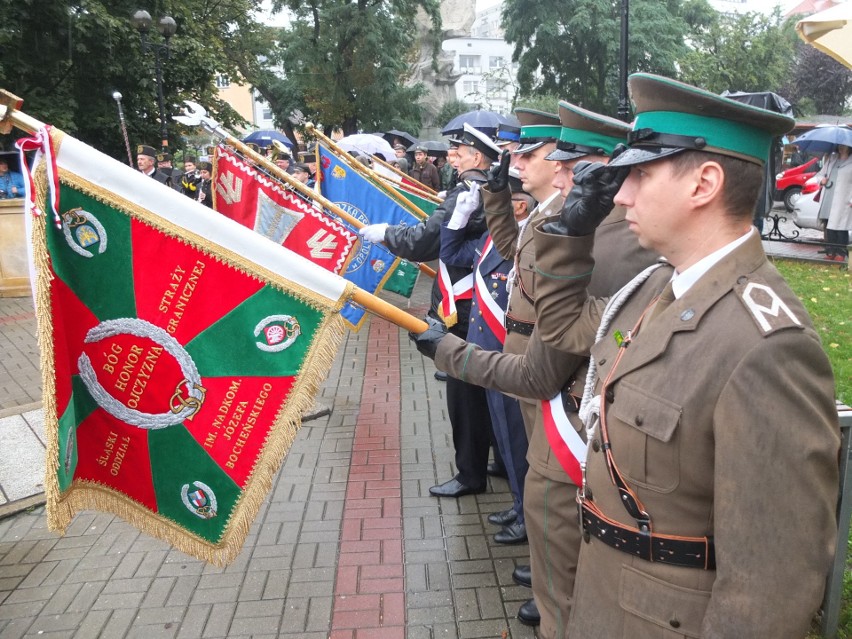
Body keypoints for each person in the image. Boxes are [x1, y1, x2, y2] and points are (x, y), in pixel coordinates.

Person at [532, 73, 839, 638]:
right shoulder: (653, 289)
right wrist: (567, 234)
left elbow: (770, 588)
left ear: (703, 184)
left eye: (641, 175)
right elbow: (557, 331)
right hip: (604, 602)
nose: (620, 195)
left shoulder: (767, 347)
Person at [414, 101, 656, 637]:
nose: (522, 164)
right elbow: (514, 254)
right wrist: (498, 197)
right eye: (559, 162)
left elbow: (554, 352)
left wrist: (450, 354)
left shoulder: (605, 239)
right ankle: (551, 586)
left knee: (558, 513)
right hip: (522, 354)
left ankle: (558, 601)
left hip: (544, 373)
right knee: (540, 498)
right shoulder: (558, 217)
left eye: (571, 165)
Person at [360, 123, 500, 498]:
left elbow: (425, 242)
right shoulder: (489, 188)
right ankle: (500, 460)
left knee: (465, 393)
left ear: (478, 157)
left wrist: (387, 233)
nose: (451, 154)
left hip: (464, 304)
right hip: (484, 300)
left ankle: (470, 475)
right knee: (492, 386)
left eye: (459, 150)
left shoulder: (467, 192)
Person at [439, 168, 533, 545]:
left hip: (506, 356)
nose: (489, 210)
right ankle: (517, 501)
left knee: (517, 437)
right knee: (505, 439)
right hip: (487, 354)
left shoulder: (526, 243)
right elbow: (449, 253)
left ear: (520, 206)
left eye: (499, 203)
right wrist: (457, 219)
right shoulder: (490, 240)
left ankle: (528, 515)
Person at [815, 144, 852, 260]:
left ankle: (841, 253)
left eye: (844, 146)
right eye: (840, 145)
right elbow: (819, 175)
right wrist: (822, 180)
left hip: (844, 198)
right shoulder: (832, 159)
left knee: (841, 226)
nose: (841, 148)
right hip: (829, 196)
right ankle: (830, 251)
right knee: (829, 225)